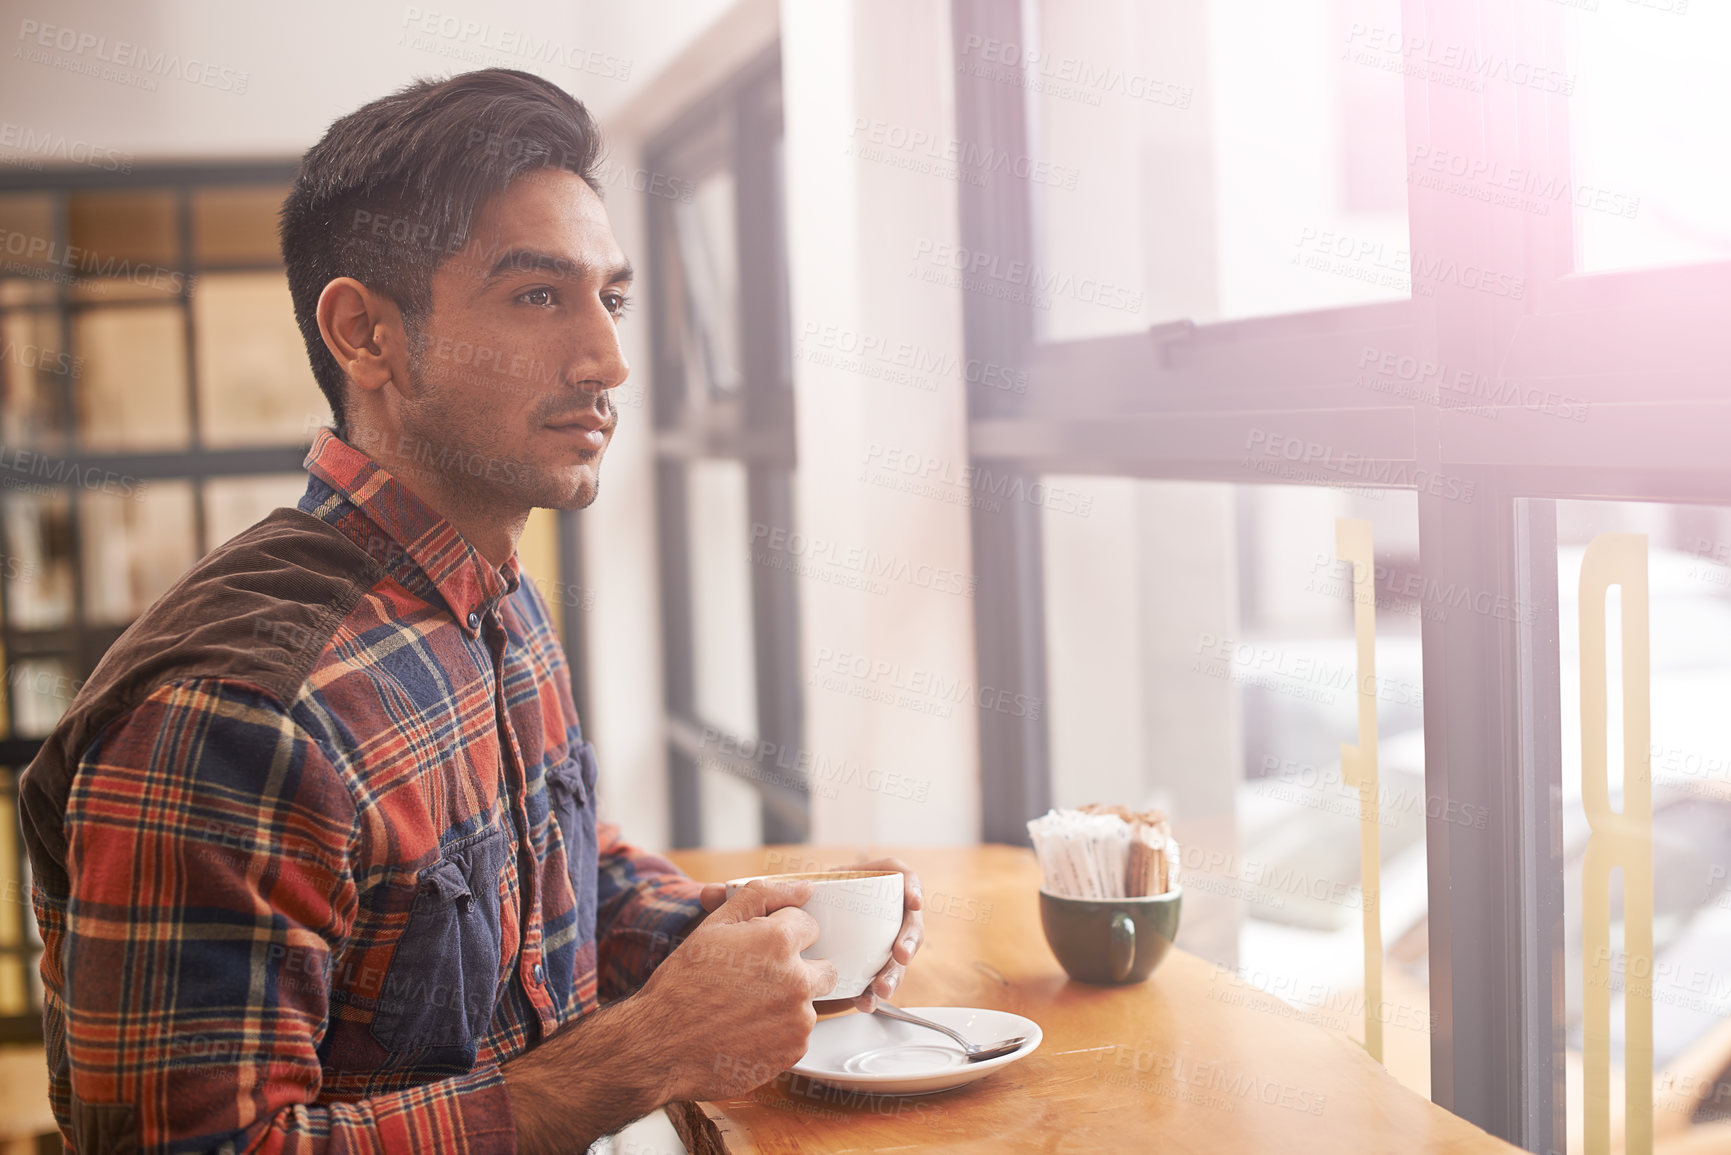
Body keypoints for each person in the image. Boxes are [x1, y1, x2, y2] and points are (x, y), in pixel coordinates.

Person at [18, 68, 923, 1155]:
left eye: (610, 297)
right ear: (366, 336)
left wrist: (736, 929)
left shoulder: (495, 591)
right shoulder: (236, 717)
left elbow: (550, 876)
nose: (609, 359)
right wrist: (645, 1053)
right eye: (538, 295)